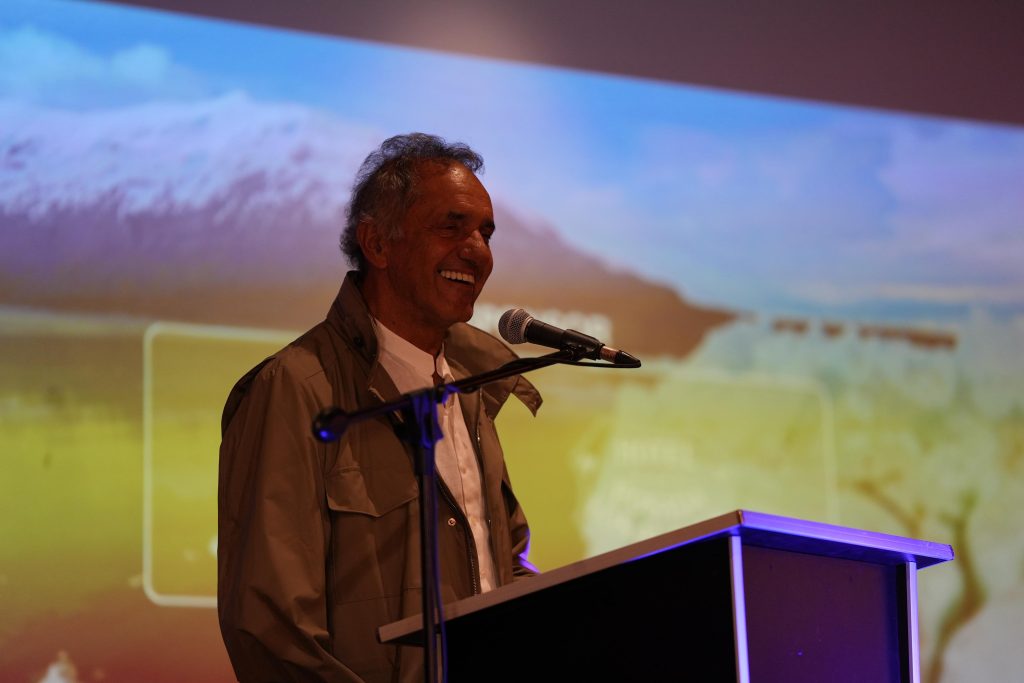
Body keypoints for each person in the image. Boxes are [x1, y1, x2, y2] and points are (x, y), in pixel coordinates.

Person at [217, 133, 542, 683]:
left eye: (485, 233)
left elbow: (504, 567)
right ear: (377, 244)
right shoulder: (295, 388)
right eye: (451, 227)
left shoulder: (471, 391)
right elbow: (271, 630)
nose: (477, 251)